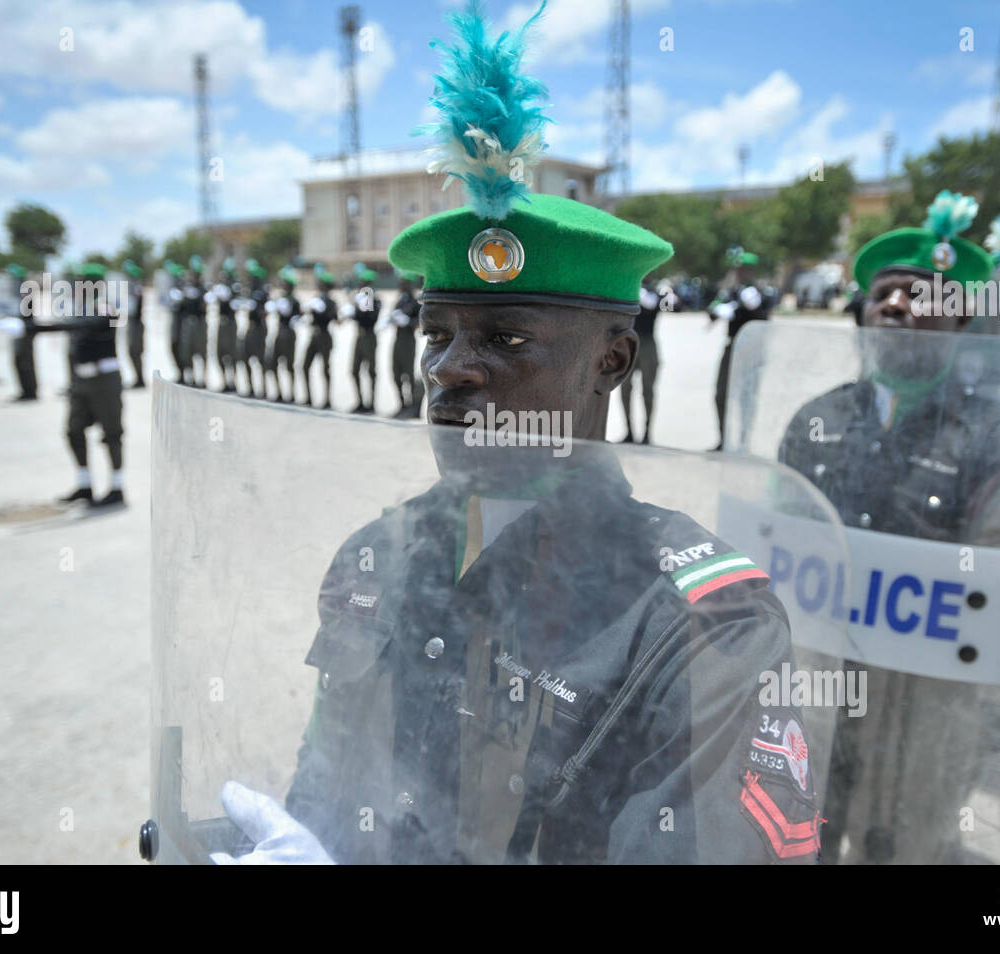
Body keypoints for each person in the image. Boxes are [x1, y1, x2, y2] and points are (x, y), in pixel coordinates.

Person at [217, 1, 819, 865]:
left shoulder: (701, 623)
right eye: (437, 334)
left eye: (504, 339)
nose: (448, 368)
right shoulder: (378, 555)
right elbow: (330, 781)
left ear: (613, 360)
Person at [777, 192, 1000, 864]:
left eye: (924, 294)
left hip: (927, 711)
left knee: (904, 848)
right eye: (885, 293)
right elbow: (775, 543)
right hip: (819, 686)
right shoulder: (815, 418)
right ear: (863, 312)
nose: (899, 306)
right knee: (799, 837)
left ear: (962, 318)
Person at [2, 263, 126, 506]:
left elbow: (84, 325)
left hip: (104, 381)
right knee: (73, 431)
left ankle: (117, 487)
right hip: (81, 381)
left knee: (112, 434)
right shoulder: (80, 309)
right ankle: (84, 484)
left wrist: (33, 328)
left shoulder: (105, 307)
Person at [710, 280, 768, 450]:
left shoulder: (762, 293)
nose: (741, 274)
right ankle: (724, 439)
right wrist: (718, 309)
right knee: (721, 394)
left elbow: (761, 313)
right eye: (739, 270)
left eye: (745, 270)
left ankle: (744, 440)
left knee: (746, 397)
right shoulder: (730, 293)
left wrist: (746, 305)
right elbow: (713, 310)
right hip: (731, 348)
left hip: (752, 350)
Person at [617, 276, 663, 444]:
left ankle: (647, 433)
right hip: (628, 344)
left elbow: (652, 304)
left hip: (647, 344)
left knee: (648, 391)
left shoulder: (657, 290)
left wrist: (637, 289)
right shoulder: (628, 287)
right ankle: (629, 432)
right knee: (625, 390)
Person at [384, 270, 422, 418]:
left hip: (408, 341)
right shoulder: (400, 300)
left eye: (403, 282)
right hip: (397, 339)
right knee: (395, 373)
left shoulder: (415, 301)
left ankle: (412, 407)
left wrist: (408, 322)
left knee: (408, 374)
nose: (400, 284)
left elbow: (420, 322)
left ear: (408, 284)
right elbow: (394, 315)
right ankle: (402, 404)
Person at [299, 270, 337, 409]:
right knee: (304, 366)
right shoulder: (316, 298)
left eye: (321, 284)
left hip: (325, 336)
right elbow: (308, 313)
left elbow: (334, 317)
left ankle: (327, 400)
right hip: (314, 335)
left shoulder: (331, 301)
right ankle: (308, 398)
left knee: (325, 369)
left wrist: (324, 310)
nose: (319, 286)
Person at [2, 264, 39, 402]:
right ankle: (25, 390)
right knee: (19, 361)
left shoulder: (25, 292)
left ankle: (30, 391)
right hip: (18, 331)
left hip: (24, 331)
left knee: (25, 362)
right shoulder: (16, 293)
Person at [265, 267, 300, 403]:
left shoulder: (294, 301)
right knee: (272, 364)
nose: (282, 285)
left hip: (289, 335)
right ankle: (279, 392)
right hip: (279, 333)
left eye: (285, 283)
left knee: (289, 366)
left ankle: (290, 394)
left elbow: (297, 315)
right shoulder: (281, 299)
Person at [237, 258, 269, 399]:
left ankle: (262, 390)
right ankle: (250, 388)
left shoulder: (262, 292)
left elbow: (265, 312)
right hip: (250, 328)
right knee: (245, 358)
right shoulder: (249, 292)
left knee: (260, 360)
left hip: (259, 330)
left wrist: (256, 307)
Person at [349, 267, 379, 413]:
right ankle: (360, 401)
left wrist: (363, 308)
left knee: (371, 371)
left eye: (363, 281)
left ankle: (371, 404)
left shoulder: (375, 298)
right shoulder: (360, 297)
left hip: (369, 336)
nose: (361, 284)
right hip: (359, 336)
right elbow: (356, 318)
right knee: (354, 370)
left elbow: (372, 319)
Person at [179, 256, 209, 388]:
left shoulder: (204, 288)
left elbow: (204, 306)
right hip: (188, 323)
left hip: (200, 323)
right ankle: (190, 378)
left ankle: (202, 379)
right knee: (187, 352)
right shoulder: (186, 287)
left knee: (201, 352)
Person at [211, 259, 239, 393]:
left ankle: (232, 381)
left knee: (231, 354)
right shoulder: (221, 287)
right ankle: (224, 381)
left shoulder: (234, 287)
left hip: (230, 324)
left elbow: (230, 298)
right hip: (221, 323)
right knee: (219, 353)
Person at [122, 259, 146, 389]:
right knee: (131, 351)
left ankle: (140, 379)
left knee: (135, 351)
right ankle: (137, 377)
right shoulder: (131, 287)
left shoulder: (136, 287)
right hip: (131, 322)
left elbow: (135, 306)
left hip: (136, 324)